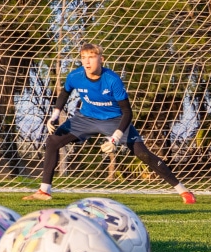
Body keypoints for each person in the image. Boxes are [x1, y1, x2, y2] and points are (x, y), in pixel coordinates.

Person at [24, 42, 196, 204]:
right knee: (53, 140)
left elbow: (128, 112)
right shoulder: (75, 76)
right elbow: (64, 93)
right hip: (86, 118)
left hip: (114, 120)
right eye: (83, 57)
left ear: (101, 59)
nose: (87, 61)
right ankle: (44, 191)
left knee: (142, 154)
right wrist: (54, 115)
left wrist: (115, 138)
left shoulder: (112, 80)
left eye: (91, 57)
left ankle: (183, 191)